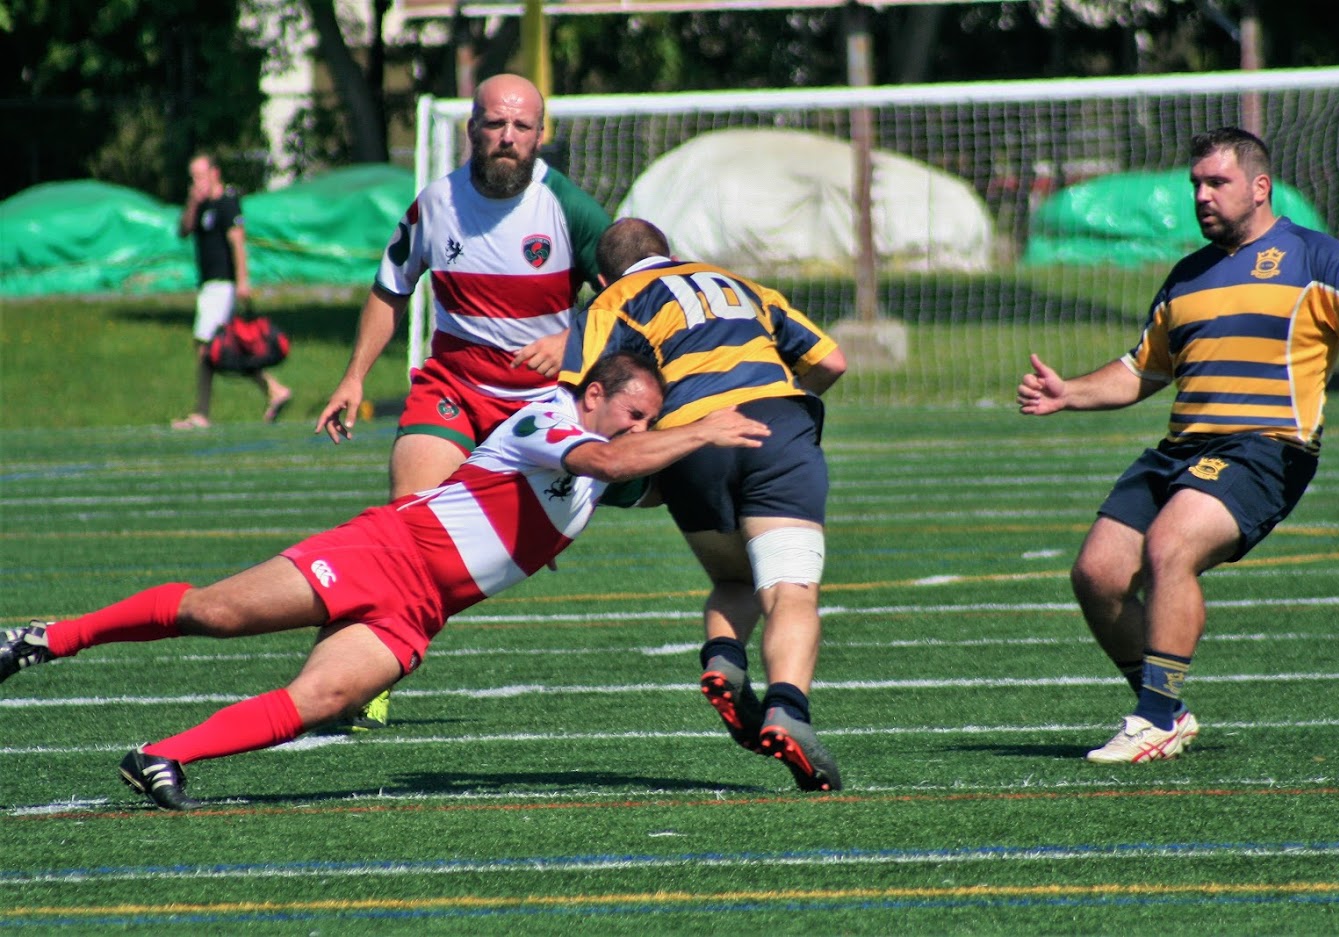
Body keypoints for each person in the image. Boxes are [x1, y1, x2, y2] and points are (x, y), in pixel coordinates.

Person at [0, 353, 769, 810]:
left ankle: (160, 756)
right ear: (594, 393)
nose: (639, 428)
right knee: (215, 612)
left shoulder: (606, 458)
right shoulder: (551, 418)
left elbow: (635, 473)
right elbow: (612, 459)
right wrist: (700, 428)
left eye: (649, 420)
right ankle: (41, 639)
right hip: (383, 552)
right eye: (634, 412)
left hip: (421, 608)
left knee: (322, 700)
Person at [1016, 127, 1339, 764]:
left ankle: (1155, 719)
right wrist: (1070, 392)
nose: (1201, 195)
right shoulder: (1187, 276)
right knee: (1098, 574)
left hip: (1265, 447)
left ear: (1259, 187)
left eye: (1217, 182)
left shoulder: (1314, 256)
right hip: (1180, 450)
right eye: (1196, 183)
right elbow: (1143, 369)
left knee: (1170, 546)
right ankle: (1166, 707)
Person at [313, 73, 612, 729]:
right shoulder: (436, 203)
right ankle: (363, 676)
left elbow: (635, 293)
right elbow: (390, 287)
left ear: (540, 135)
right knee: (406, 529)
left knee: (479, 557)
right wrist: (354, 377)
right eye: (495, 123)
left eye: (521, 126)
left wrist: (571, 338)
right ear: (471, 127)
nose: (507, 137)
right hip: (453, 389)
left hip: (539, 410)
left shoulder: (568, 207)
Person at [558, 218, 848, 792]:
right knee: (790, 589)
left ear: (601, 277)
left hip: (691, 443)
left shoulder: (610, 301)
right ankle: (788, 709)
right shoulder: (742, 285)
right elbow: (831, 360)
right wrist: (777, 406)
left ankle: (723, 656)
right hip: (775, 427)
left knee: (734, 578)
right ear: (670, 253)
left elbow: (577, 392)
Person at [172, 152, 292, 430]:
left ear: (214, 173)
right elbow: (183, 230)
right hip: (207, 285)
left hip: (222, 285)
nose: (196, 182)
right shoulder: (201, 206)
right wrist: (192, 201)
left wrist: (242, 281)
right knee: (221, 348)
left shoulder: (227, 202)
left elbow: (237, 242)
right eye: (193, 178)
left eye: (200, 176)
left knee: (207, 347)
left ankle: (202, 413)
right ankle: (273, 390)